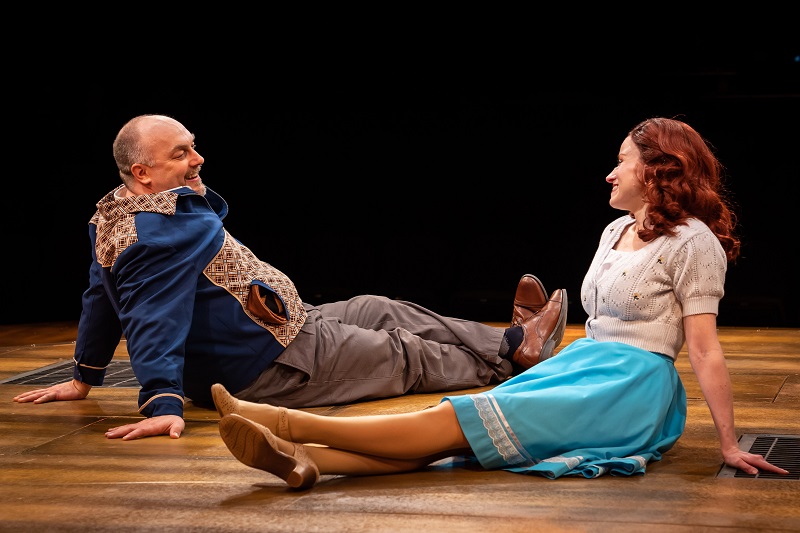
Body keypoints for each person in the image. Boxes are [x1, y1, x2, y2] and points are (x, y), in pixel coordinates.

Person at [208, 116, 789, 489]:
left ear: (657, 170)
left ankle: (279, 421)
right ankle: (304, 459)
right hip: (587, 363)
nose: (610, 173)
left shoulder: (694, 244)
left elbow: (707, 353)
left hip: (629, 387)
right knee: (456, 440)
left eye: (622, 162)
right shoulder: (614, 232)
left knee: (450, 420)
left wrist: (729, 444)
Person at [11, 114, 568, 441]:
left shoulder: (111, 214)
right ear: (144, 173)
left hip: (286, 326)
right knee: (402, 352)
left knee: (379, 306)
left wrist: (85, 375)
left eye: (194, 148)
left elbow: (98, 297)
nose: (198, 160)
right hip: (268, 365)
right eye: (182, 155)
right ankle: (517, 368)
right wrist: (161, 402)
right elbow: (152, 314)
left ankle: (514, 341)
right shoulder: (162, 229)